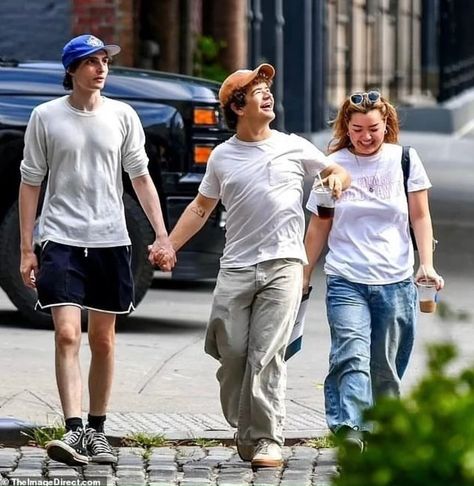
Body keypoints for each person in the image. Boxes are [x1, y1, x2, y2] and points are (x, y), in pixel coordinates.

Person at [150, 64, 350, 468]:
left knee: (267, 353)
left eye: (268, 88)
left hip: (285, 264)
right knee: (233, 353)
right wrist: (169, 244)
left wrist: (336, 180)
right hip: (237, 267)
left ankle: (267, 439)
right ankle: (247, 426)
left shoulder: (293, 146)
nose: (268, 94)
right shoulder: (222, 157)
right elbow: (201, 207)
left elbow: (335, 168)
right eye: (257, 90)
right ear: (237, 106)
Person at [19, 34, 175, 466]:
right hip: (60, 239)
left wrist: (163, 235)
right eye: (91, 62)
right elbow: (30, 182)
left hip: (111, 238)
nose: (101, 68)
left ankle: (97, 430)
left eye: (104, 61)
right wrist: (26, 248)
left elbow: (141, 178)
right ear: (72, 70)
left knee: (103, 340)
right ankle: (72, 432)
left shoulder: (123, 115)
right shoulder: (45, 117)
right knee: (68, 333)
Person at [303, 90, 444, 452]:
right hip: (346, 277)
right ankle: (350, 427)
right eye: (357, 129)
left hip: (395, 279)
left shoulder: (405, 161)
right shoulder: (332, 164)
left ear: (387, 125)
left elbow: (420, 216)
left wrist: (425, 263)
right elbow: (319, 225)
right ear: (346, 129)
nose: (366, 137)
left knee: (385, 363)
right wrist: (303, 274)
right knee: (350, 352)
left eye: (374, 129)